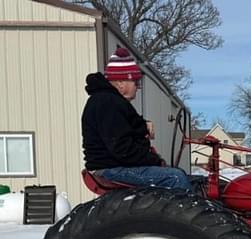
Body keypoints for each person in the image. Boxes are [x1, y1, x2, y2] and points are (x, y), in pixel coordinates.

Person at [82, 47, 192, 191]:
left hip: (114, 166)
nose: (138, 87)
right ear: (121, 83)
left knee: (184, 176)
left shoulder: (110, 102)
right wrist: (155, 161)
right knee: (175, 178)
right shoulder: (108, 103)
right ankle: (190, 213)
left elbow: (125, 132)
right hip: (110, 169)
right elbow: (123, 149)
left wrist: (143, 125)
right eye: (135, 82)